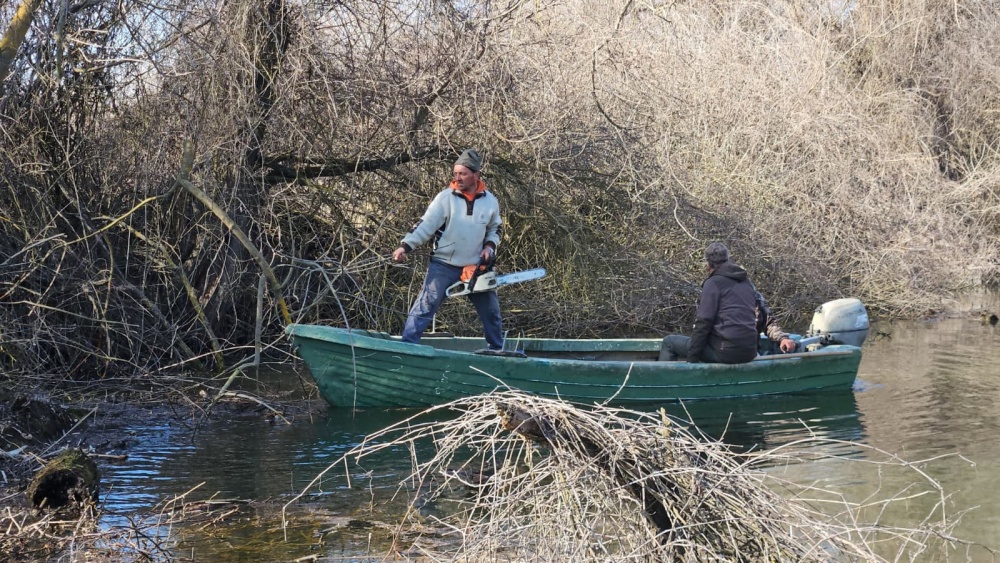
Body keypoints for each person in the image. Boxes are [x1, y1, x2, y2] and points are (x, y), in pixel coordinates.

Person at [392, 149, 504, 350]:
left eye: (463, 174)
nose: (458, 178)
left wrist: (489, 247)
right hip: (444, 264)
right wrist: (405, 246)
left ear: (476, 175)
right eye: (455, 174)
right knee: (425, 305)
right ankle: (407, 347)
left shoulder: (490, 201)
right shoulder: (445, 199)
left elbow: (495, 229)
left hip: (476, 268)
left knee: (491, 312)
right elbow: (425, 225)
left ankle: (496, 349)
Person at [658, 242, 759, 363]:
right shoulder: (746, 282)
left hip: (726, 352)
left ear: (708, 264)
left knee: (669, 342)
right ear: (727, 259)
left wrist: (692, 359)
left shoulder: (713, 283)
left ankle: (664, 379)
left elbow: (704, 322)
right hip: (750, 352)